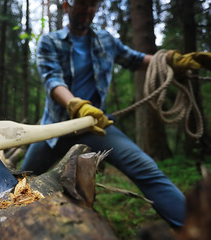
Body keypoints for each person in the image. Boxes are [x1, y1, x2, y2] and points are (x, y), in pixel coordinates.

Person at [21, 0, 211, 228]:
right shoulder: (49, 42)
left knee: (147, 170)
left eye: (93, 5)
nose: (88, 11)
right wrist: (76, 105)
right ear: (66, 6)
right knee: (21, 181)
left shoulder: (105, 40)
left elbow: (136, 60)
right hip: (54, 129)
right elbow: (53, 81)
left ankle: (196, 227)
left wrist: (170, 61)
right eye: (82, 5)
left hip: (95, 125)